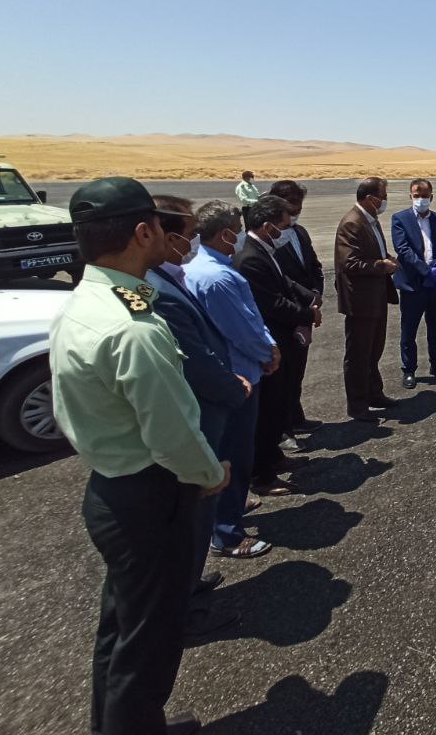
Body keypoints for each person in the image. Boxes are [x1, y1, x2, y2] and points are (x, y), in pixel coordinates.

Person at [50, 176, 229, 735]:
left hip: (112, 488)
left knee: (122, 631)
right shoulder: (134, 330)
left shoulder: (86, 302)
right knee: (149, 643)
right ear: (143, 232)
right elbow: (172, 433)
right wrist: (209, 474)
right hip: (150, 496)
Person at [147, 196, 259, 638]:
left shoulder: (168, 277)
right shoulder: (160, 289)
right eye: (190, 234)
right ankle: (183, 614)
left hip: (211, 401)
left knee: (196, 516)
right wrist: (234, 387)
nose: (194, 241)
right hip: (208, 405)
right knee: (188, 516)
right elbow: (197, 356)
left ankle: (190, 583)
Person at [186, 202, 292, 525]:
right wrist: (268, 353)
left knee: (231, 448)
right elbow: (242, 329)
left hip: (236, 371)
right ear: (224, 235)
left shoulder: (204, 267)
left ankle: (230, 507)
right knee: (235, 450)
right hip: (239, 374)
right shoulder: (216, 277)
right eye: (237, 229)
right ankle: (227, 529)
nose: (241, 234)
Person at [233, 194, 320, 489]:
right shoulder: (250, 257)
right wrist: (308, 314)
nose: (286, 232)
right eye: (283, 226)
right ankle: (262, 475)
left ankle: (273, 456)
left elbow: (285, 282)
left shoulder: (264, 250)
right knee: (267, 409)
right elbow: (272, 303)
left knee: (278, 402)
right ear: (268, 227)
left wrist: (309, 297)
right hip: (270, 340)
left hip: (283, 338)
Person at [335, 177, 399, 420]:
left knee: (373, 350)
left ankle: (374, 393)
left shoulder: (370, 220)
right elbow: (349, 263)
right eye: (383, 196)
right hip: (360, 300)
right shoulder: (352, 222)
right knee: (358, 354)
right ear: (371, 199)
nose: (385, 200)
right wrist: (381, 265)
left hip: (376, 295)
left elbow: (374, 251)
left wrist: (387, 258)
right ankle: (357, 405)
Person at [268, 179, 324, 435]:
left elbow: (314, 267)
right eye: (292, 206)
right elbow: (276, 283)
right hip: (282, 316)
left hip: (305, 312)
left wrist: (315, 295)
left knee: (297, 370)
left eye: (299, 205)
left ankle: (295, 415)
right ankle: (281, 430)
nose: (297, 211)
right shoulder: (266, 239)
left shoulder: (300, 232)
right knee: (279, 375)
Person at [391, 178, 436, 389]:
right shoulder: (400, 219)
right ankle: (409, 370)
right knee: (409, 329)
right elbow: (403, 249)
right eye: (417, 195)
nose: (421, 199)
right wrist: (425, 271)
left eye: (425, 196)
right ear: (410, 196)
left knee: (435, 327)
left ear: (432, 197)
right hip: (413, 284)